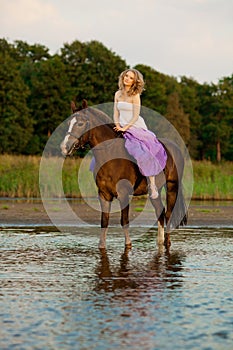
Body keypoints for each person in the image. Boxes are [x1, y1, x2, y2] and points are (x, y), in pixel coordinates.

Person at [113, 68, 167, 199]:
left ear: (134, 81)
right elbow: (116, 112)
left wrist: (126, 128)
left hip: (134, 126)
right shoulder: (117, 94)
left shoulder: (135, 95)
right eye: (126, 76)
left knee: (141, 151)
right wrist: (118, 125)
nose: (127, 78)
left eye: (131, 77)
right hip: (120, 126)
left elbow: (135, 115)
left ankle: (152, 184)